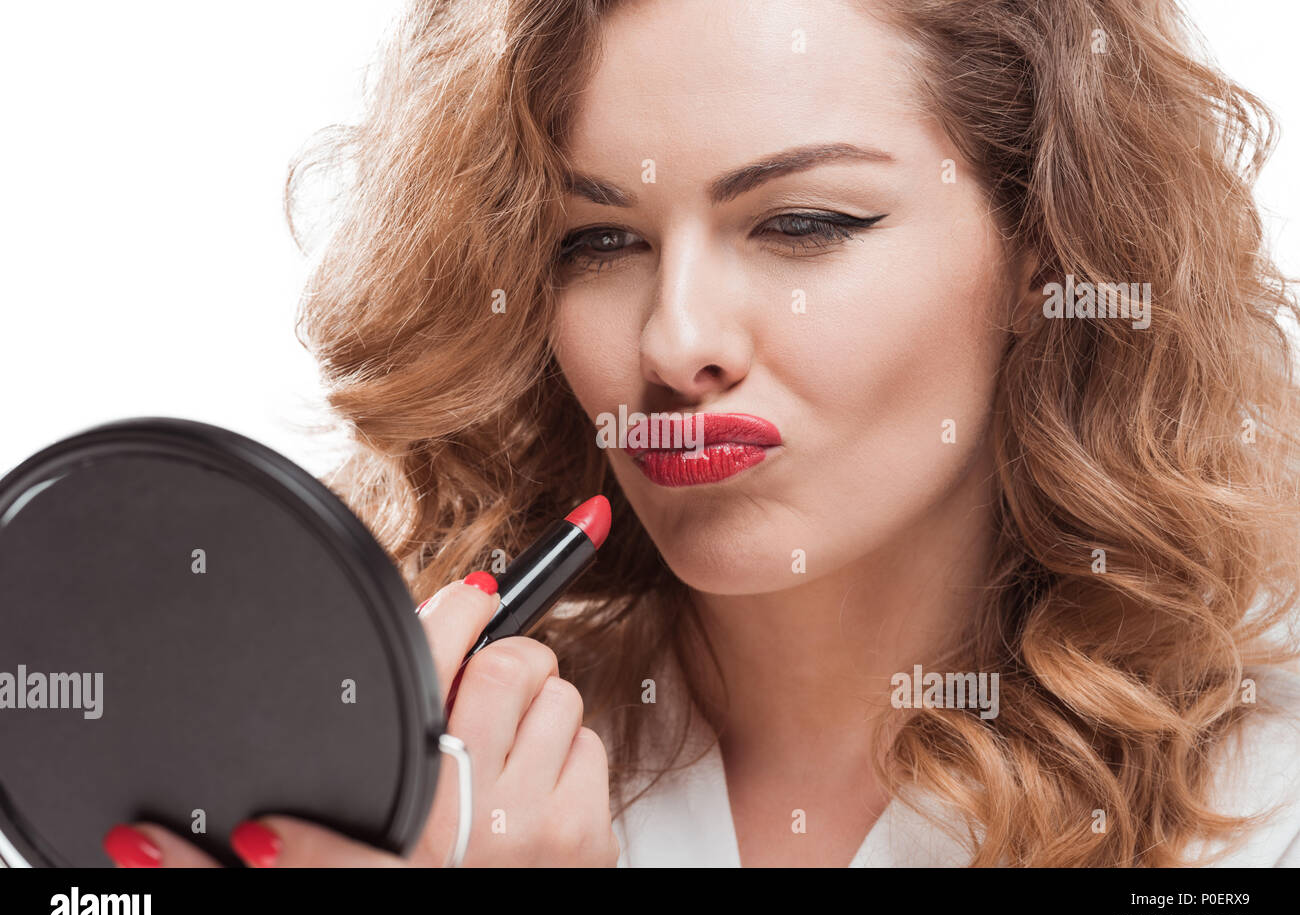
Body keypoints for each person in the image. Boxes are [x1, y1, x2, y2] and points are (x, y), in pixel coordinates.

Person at [103, 0, 1300, 868]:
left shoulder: (1269, 785)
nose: (675, 343)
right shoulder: (417, 782)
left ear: (1046, 249)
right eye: (598, 243)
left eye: (804, 224)